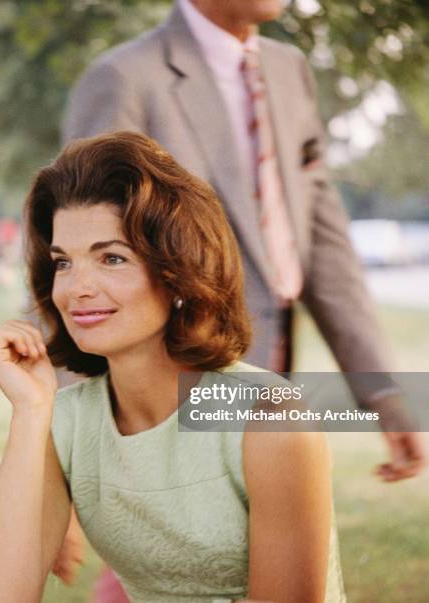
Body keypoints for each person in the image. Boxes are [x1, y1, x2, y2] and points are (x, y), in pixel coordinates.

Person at [0, 132, 346, 602]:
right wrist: (28, 412)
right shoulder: (64, 422)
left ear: (177, 271)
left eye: (111, 258)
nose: (77, 288)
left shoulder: (269, 419)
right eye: (64, 262)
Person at [62, 0, 425, 482]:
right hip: (172, 396)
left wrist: (382, 393)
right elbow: (80, 258)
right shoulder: (125, 79)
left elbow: (323, 239)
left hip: (270, 381)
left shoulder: (288, 69)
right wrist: (67, 453)